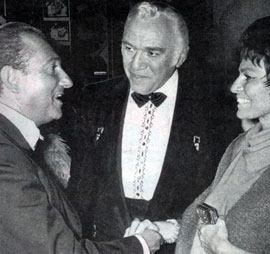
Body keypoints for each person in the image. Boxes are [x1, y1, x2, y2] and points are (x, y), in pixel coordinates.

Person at [67, 1, 217, 253]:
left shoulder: (213, 110)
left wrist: (175, 227)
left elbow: (220, 199)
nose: (136, 64)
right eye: (128, 48)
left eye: (152, 53)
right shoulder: (94, 99)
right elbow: (79, 190)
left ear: (180, 56)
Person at [0, 21, 163, 253]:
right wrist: (142, 244)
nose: (67, 80)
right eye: (52, 68)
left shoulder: (13, 143)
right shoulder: (5, 157)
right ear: (12, 79)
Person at [176, 15, 270, 254]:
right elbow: (206, 212)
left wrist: (222, 247)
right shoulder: (240, 145)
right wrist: (164, 229)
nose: (235, 86)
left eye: (249, 77)